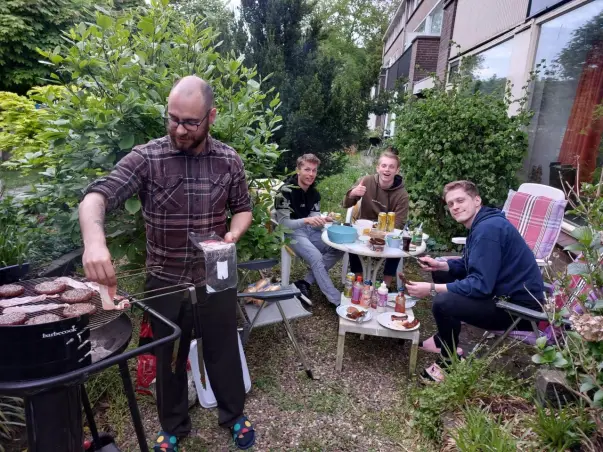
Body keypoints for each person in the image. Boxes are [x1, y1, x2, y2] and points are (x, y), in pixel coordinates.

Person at [78, 76, 256, 450]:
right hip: (165, 281)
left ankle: (234, 414)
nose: (179, 129)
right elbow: (97, 196)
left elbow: (242, 209)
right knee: (169, 355)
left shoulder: (229, 160)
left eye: (190, 122)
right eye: (172, 118)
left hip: (215, 277)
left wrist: (232, 236)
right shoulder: (148, 158)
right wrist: (94, 243)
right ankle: (173, 426)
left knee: (223, 348)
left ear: (211, 117)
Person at [406, 180, 545, 382]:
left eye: (460, 200)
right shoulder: (483, 223)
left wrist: (432, 288)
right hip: (499, 293)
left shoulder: (488, 230)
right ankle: (444, 339)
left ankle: (449, 362)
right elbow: (473, 265)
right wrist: (442, 266)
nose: (455, 207)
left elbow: (480, 285)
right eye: (451, 203)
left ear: (477, 200)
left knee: (443, 302)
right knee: (445, 274)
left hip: (517, 310)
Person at [275, 154, 344, 306]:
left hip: (310, 231)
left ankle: (305, 282)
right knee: (316, 257)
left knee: (339, 248)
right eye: (307, 169)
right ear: (297, 170)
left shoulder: (314, 193)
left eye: (314, 170)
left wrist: (324, 220)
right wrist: (306, 220)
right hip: (291, 232)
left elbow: (316, 224)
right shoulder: (284, 192)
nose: (311, 174)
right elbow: (283, 224)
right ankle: (337, 301)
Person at [342, 149, 409, 286]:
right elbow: (346, 204)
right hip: (364, 229)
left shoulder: (402, 194)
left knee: (397, 244)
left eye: (391, 166)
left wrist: (381, 232)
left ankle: (386, 284)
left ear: (397, 170)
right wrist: (353, 193)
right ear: (378, 168)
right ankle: (359, 280)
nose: (387, 170)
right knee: (351, 238)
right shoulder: (366, 181)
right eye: (384, 166)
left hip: (387, 232)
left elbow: (399, 222)